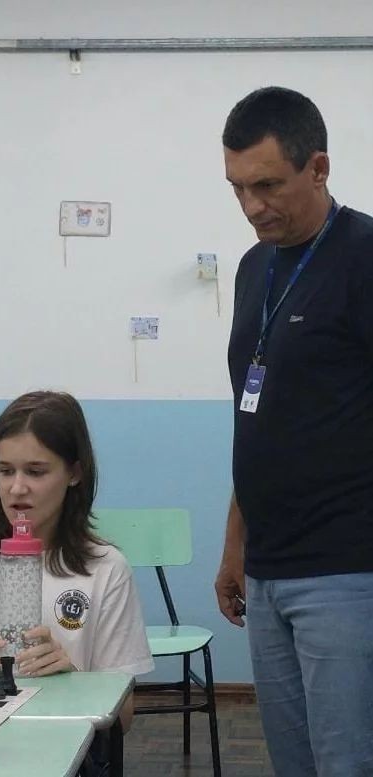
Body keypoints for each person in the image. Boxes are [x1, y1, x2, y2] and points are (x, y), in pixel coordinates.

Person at [216, 86, 373, 777]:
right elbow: (256, 420)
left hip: (347, 571)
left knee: (347, 762)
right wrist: (234, 543)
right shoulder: (254, 268)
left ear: (319, 167)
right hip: (267, 570)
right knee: (293, 763)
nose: (252, 206)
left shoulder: (363, 257)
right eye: (237, 188)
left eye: (268, 185)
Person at [0, 391, 153, 732]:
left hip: (65, 742)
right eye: (5, 471)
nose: (16, 488)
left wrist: (71, 678)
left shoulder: (105, 569)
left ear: (74, 473)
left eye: (35, 472)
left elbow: (123, 718)